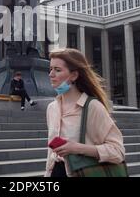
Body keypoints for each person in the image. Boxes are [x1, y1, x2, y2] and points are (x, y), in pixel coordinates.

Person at [45, 48, 125, 177]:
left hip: (83, 172)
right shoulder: (52, 108)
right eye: (50, 69)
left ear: (74, 75)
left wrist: (77, 148)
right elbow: (51, 153)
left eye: (57, 70)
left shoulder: (93, 107)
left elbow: (118, 152)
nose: (51, 74)